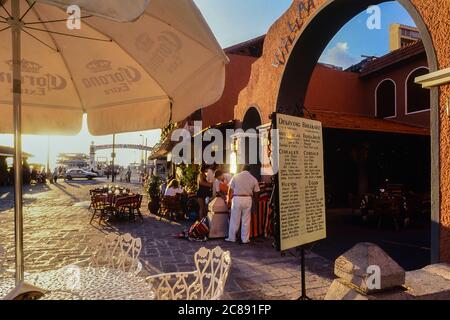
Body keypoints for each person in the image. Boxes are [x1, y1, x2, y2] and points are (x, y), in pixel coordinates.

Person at [226, 165, 260, 244]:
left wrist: (229, 199)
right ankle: (245, 239)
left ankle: (232, 238)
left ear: (242, 169)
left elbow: (230, 189)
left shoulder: (236, 177)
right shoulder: (253, 178)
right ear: (249, 170)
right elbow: (257, 192)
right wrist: (256, 201)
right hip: (248, 199)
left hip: (237, 199)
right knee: (246, 220)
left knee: (235, 219)